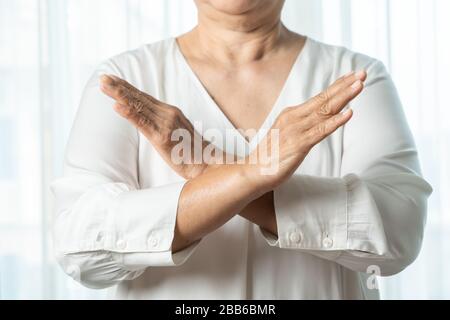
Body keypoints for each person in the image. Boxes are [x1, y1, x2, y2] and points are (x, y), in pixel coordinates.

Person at [51, 0, 432, 299]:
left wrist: (210, 166)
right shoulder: (126, 81)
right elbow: (80, 247)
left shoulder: (355, 78)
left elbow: (398, 232)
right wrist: (249, 174)